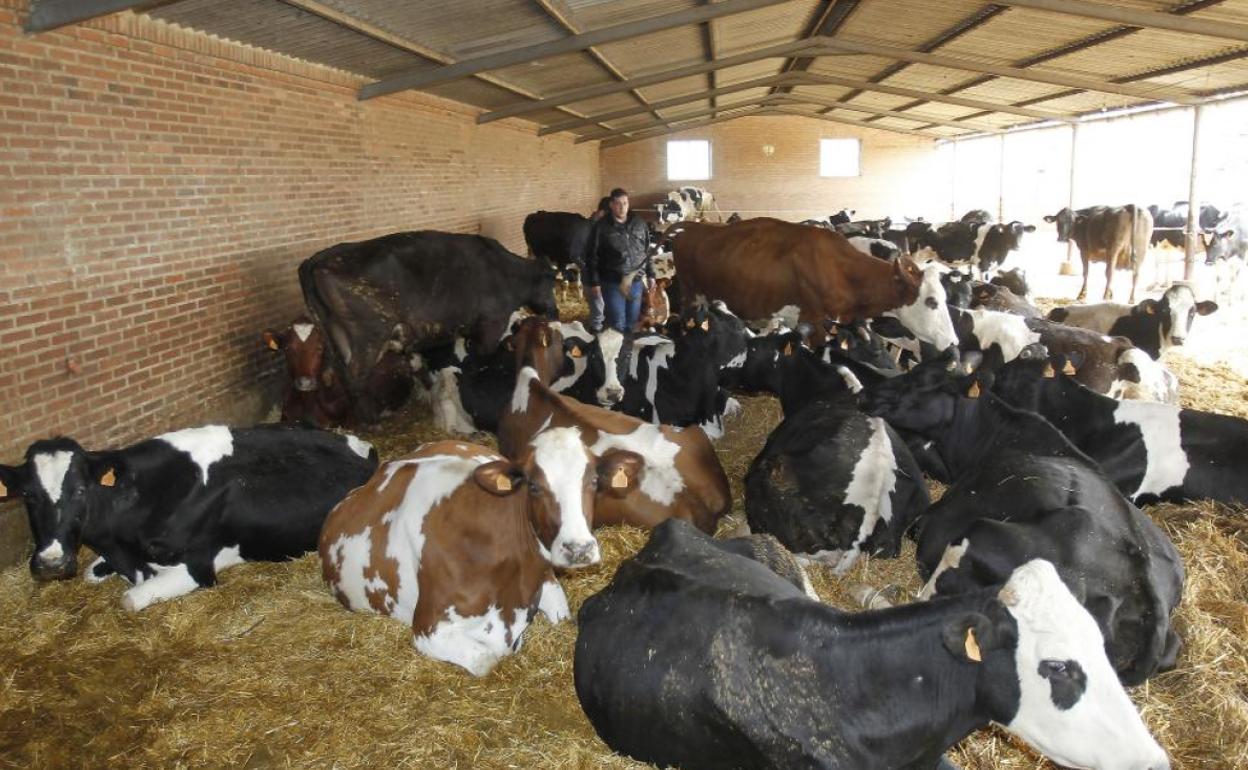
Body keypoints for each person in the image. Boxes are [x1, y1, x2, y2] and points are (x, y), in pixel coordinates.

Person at [585, 188, 654, 335]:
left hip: (635, 281)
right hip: (612, 282)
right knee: (617, 321)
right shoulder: (601, 227)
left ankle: (627, 353)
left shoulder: (639, 223)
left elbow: (647, 251)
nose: (622, 207)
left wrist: (651, 274)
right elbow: (592, 256)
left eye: (625, 203)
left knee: (633, 321)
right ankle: (616, 354)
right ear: (611, 205)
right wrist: (594, 282)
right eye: (618, 204)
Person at [579, 196, 613, 333]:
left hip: (604, 276)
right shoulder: (588, 229)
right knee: (598, 307)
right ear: (603, 212)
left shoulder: (603, 227)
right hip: (592, 278)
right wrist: (594, 282)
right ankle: (595, 334)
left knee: (603, 306)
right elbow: (585, 256)